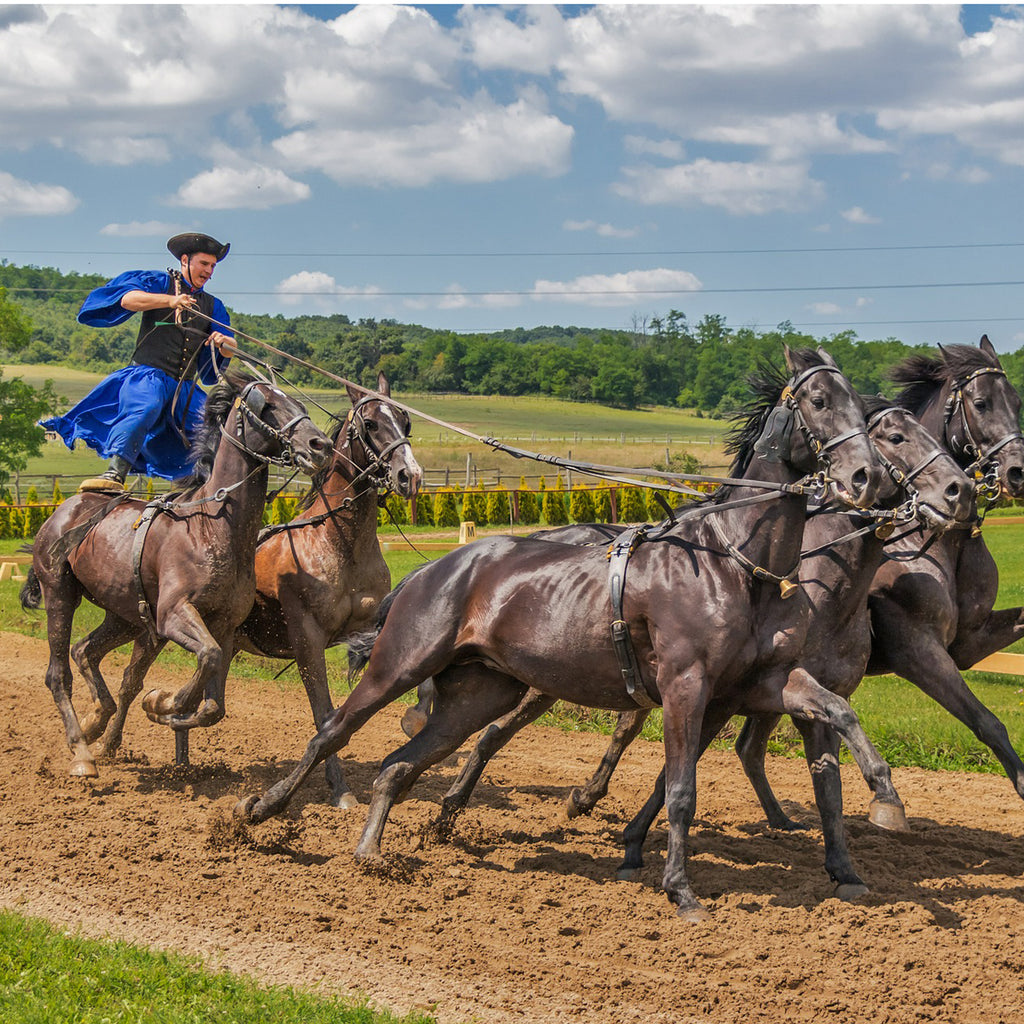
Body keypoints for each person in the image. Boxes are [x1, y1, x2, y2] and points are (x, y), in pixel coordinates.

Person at [44, 232, 238, 492]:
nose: (209, 271)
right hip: (148, 376)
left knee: (217, 426)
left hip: (185, 388)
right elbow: (127, 299)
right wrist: (170, 300)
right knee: (146, 407)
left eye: (213, 266)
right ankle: (114, 474)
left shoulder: (213, 306)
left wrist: (224, 345)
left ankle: (209, 487)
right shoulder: (158, 282)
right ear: (185, 260)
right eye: (204, 264)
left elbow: (227, 348)